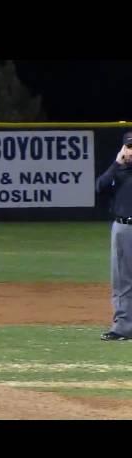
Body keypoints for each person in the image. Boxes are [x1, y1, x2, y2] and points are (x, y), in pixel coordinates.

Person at [95, 131, 132, 341]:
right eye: (129, 147)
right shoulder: (118, 172)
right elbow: (99, 187)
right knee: (122, 281)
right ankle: (123, 328)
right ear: (123, 149)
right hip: (124, 228)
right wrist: (116, 164)